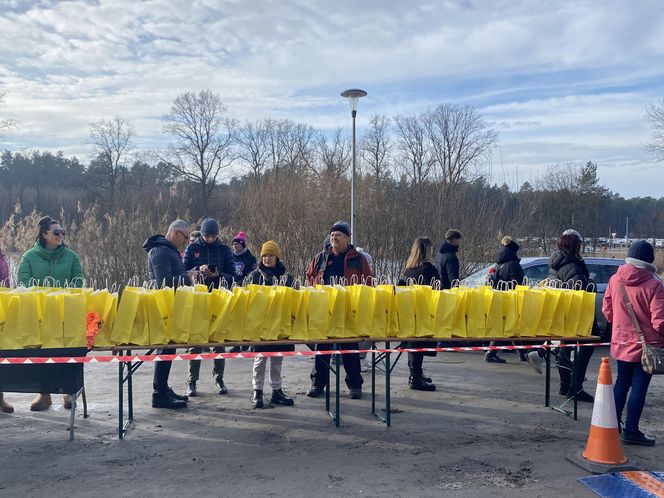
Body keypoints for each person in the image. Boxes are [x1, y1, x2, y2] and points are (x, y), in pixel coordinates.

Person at [9, 216, 84, 412]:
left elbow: (78, 281)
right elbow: (24, 284)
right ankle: (44, 394)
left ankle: (68, 391)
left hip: (65, 312)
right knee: (41, 353)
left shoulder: (71, 256)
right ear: (44, 234)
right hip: (38, 313)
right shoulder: (28, 257)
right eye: (56, 232)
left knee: (66, 350)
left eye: (62, 233)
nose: (61, 236)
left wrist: (61, 295)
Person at [603, 240, 664, 446]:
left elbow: (607, 311)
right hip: (646, 346)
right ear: (650, 260)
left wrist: (620, 326)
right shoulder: (655, 285)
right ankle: (631, 431)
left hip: (620, 342)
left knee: (621, 383)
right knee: (639, 388)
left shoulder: (614, 279)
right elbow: (660, 321)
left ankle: (611, 425)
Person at [305, 221, 373, 399]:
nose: (334, 237)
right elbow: (309, 279)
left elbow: (368, 284)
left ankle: (355, 386)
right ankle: (317, 384)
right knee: (322, 349)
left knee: (350, 348)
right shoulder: (320, 258)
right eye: (332, 234)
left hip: (349, 309)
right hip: (324, 309)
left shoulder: (359, 259)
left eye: (338, 235)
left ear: (347, 238)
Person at [527, 229, 595, 402]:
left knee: (564, 348)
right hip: (575, 314)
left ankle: (565, 385)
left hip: (560, 313)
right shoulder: (573, 266)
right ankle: (575, 387)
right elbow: (578, 291)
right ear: (575, 246)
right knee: (586, 347)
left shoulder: (554, 265)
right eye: (580, 244)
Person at [144, 219, 196, 409]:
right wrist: (187, 278)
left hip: (172, 305)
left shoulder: (167, 250)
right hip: (164, 307)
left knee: (168, 349)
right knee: (165, 349)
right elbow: (164, 282)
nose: (185, 241)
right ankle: (159, 394)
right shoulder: (160, 251)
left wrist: (186, 274)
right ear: (175, 233)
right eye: (184, 237)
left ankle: (163, 388)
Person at [182, 218, 235, 397]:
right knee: (195, 341)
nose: (210, 239)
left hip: (218, 297)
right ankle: (192, 381)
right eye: (207, 236)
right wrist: (198, 270)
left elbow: (233, 276)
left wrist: (219, 274)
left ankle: (219, 378)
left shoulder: (225, 250)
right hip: (197, 297)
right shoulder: (192, 248)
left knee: (218, 341)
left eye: (213, 236)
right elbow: (183, 271)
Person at [245, 240, 295, 409]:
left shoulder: (286, 276)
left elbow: (295, 296)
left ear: (277, 257)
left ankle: (277, 391)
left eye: (271, 255)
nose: (267, 258)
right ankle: (257, 391)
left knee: (277, 359)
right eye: (264, 255)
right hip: (261, 325)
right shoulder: (254, 276)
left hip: (280, 325)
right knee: (260, 359)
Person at [400, 237, 439, 391]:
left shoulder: (409, 269)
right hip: (424, 311)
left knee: (413, 344)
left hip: (410, 311)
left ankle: (415, 374)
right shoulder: (428, 269)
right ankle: (416, 378)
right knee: (419, 345)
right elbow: (437, 287)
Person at [485, 236, 525, 364]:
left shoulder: (498, 264)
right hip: (510, 299)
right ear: (513, 251)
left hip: (499, 297)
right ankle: (490, 353)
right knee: (507, 326)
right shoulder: (513, 265)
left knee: (509, 326)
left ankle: (522, 353)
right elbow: (519, 284)